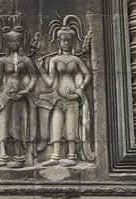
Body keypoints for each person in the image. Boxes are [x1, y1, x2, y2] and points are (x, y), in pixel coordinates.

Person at [37, 15, 94, 167]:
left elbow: (88, 75)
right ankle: (55, 156)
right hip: (58, 98)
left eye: (69, 40)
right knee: (56, 128)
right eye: (64, 40)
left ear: (73, 41)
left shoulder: (76, 60)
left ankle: (72, 156)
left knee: (71, 128)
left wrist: (79, 90)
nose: (67, 43)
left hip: (73, 100)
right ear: (59, 41)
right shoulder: (54, 60)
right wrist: (41, 69)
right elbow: (50, 82)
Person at [0, 25, 38, 168]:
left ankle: (19, 156)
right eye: (11, 41)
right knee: (2, 122)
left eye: (16, 41)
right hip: (5, 94)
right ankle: (2, 155)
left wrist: (27, 91)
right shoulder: (3, 60)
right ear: (6, 43)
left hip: (19, 94)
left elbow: (34, 78)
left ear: (21, 42)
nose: (14, 44)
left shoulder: (26, 60)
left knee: (17, 125)